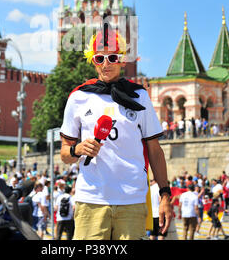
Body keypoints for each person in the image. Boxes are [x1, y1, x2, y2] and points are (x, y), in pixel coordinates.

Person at [60, 25, 173, 240]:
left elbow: (155, 151)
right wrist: (78, 148)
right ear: (92, 61)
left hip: (131, 200)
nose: (106, 64)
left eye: (112, 57)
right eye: (99, 58)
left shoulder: (139, 96)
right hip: (91, 200)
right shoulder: (78, 97)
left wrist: (165, 195)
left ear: (121, 60)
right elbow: (64, 154)